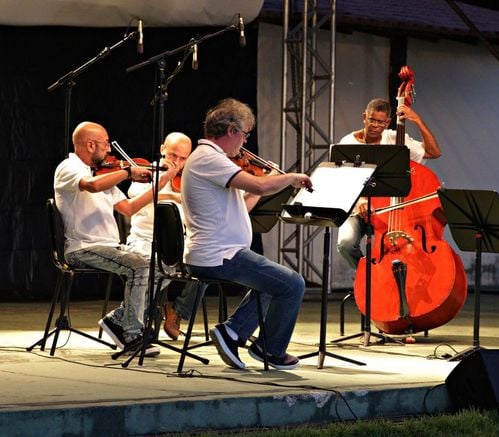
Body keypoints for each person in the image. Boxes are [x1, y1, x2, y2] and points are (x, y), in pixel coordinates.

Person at [181, 98, 313, 370]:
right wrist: (288, 178)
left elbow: (247, 198)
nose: (244, 141)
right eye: (244, 134)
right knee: (293, 284)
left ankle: (232, 333)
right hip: (218, 254)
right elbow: (260, 186)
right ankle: (269, 350)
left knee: (275, 282)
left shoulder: (211, 159)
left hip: (220, 252)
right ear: (230, 131)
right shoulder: (209, 158)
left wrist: (264, 185)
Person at [54, 121, 179, 356]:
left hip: (110, 248)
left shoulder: (103, 175)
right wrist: (128, 172)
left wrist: (164, 179)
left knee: (163, 267)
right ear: (90, 145)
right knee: (141, 266)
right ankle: (132, 336)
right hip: (83, 248)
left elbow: (129, 208)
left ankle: (118, 319)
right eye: (104, 145)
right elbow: (90, 186)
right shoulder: (69, 168)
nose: (110, 151)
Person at [337, 98, 442, 269]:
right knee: (345, 244)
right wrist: (359, 201)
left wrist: (416, 120)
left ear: (388, 122)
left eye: (380, 122)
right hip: (357, 207)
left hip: (389, 210)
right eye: (372, 120)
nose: (375, 126)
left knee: (403, 246)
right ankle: (369, 276)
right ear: (364, 117)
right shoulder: (348, 142)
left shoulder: (395, 138)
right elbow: (340, 182)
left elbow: (434, 152)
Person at [125, 132, 198, 341]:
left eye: (183, 158)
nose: (177, 162)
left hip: (177, 247)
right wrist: (171, 194)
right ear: (162, 149)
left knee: (210, 262)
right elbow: (135, 197)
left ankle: (178, 311)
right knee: (154, 267)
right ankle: (133, 322)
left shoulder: (189, 179)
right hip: (144, 241)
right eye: (173, 155)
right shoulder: (146, 172)